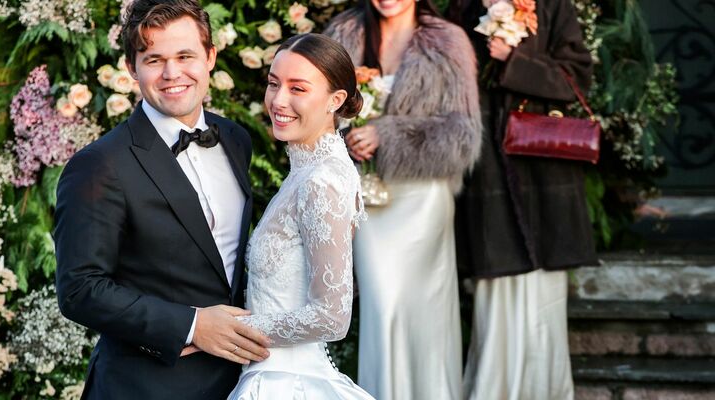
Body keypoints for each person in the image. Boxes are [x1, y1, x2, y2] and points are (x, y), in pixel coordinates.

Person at [53, 1, 271, 399]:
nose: (172, 74)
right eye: (154, 59)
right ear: (131, 69)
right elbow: (79, 289)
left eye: (185, 56)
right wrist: (191, 325)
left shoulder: (236, 139)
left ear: (210, 58)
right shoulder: (99, 165)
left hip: (242, 380)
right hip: (147, 384)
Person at [325, 1, 482, 399]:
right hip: (368, 200)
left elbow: (463, 133)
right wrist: (348, 138)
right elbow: (315, 110)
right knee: (383, 305)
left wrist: (387, 134)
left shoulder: (448, 41)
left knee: (426, 316)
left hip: (423, 200)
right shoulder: (343, 36)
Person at [447, 0, 597, 399]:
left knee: (544, 288)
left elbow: (578, 79)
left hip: (545, 165)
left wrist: (515, 60)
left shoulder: (553, 6)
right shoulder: (462, 7)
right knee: (494, 287)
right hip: (487, 169)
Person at [227, 33, 374, 400]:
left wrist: (229, 331)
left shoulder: (323, 179)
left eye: (298, 88)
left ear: (335, 100)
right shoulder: (306, 171)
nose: (278, 100)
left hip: (286, 381)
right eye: (274, 84)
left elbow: (332, 317)